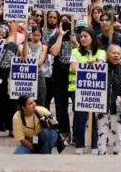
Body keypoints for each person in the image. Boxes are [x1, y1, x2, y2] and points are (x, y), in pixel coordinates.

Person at [69, 27, 106, 154]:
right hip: (78, 89)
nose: (82, 38)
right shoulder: (75, 51)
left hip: (95, 89)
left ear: (92, 38)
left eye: (85, 36)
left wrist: (94, 63)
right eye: (81, 36)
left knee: (94, 118)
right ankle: (80, 144)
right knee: (80, 118)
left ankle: (94, 145)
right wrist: (88, 65)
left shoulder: (100, 52)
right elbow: (73, 69)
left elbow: (101, 65)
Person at [97, 45, 121, 155]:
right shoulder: (101, 68)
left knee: (117, 135)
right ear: (107, 55)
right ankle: (101, 155)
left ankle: (118, 156)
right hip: (102, 107)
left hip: (117, 108)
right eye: (113, 53)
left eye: (118, 53)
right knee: (102, 134)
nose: (116, 55)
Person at [48, 15, 78, 143]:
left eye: (67, 21)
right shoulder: (55, 36)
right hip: (59, 76)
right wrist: (60, 35)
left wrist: (75, 41)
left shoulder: (78, 36)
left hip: (74, 77)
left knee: (77, 106)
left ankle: (77, 133)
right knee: (61, 107)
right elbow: (53, 52)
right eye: (63, 21)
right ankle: (65, 132)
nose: (65, 23)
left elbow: (84, 52)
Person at [0, 24, 19, 136]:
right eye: (0, 30)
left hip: (10, 78)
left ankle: (11, 127)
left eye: (5, 30)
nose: (3, 32)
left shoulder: (14, 46)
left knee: (11, 104)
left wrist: (26, 41)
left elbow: (22, 57)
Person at [19, 26, 48, 105]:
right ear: (30, 35)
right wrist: (25, 40)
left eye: (38, 35)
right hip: (27, 75)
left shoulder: (44, 47)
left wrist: (30, 60)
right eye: (34, 35)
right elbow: (24, 57)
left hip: (39, 75)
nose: (36, 37)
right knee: (26, 101)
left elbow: (39, 63)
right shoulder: (22, 46)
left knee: (41, 100)